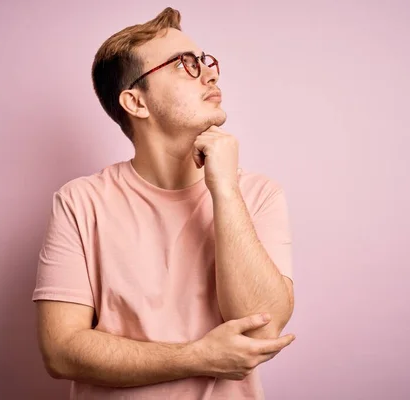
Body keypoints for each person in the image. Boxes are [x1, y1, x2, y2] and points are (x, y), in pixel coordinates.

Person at [32, 7, 295, 399]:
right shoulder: (80, 202)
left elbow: (261, 330)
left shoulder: (259, 195)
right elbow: (61, 351)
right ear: (136, 103)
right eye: (184, 64)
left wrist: (223, 188)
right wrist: (197, 357)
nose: (211, 73)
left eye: (205, 61)